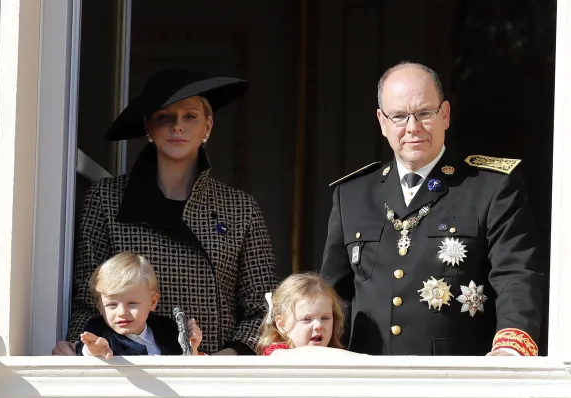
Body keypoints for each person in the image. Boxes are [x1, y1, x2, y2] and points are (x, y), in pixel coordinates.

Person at [320, 62, 544, 356]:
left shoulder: (489, 187)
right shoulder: (351, 195)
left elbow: (515, 274)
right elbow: (332, 296)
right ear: (382, 122)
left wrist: (510, 349)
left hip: (456, 373)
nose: (413, 127)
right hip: (368, 370)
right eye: (399, 116)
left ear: (445, 115)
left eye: (424, 113)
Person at [53, 68, 278, 356]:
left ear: (208, 125)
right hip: (130, 367)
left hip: (215, 368)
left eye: (190, 116)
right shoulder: (106, 199)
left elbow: (264, 307)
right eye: (165, 116)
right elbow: (88, 300)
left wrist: (227, 357)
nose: (177, 126)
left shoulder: (240, 208)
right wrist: (78, 346)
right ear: (148, 126)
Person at [77, 252, 204, 357]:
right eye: (112, 305)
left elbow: (185, 370)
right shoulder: (99, 330)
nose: (122, 312)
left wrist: (192, 349)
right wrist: (93, 350)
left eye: (132, 303)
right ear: (100, 306)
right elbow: (82, 350)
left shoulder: (167, 330)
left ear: (152, 302)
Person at [256, 272, 361, 357]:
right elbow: (300, 355)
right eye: (307, 319)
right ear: (282, 324)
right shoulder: (277, 352)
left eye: (325, 318)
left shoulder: (331, 352)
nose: (318, 325)